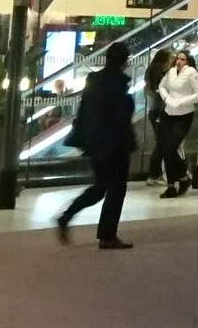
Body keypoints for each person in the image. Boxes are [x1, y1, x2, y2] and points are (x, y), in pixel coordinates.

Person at [55, 43, 137, 248]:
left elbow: (84, 113)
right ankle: (107, 235)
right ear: (125, 61)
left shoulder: (94, 81)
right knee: (116, 189)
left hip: (95, 143)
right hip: (115, 145)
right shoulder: (118, 84)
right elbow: (120, 117)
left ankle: (67, 216)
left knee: (101, 187)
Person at [151, 49, 198, 197]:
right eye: (177, 59)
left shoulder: (192, 74)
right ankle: (173, 184)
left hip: (183, 115)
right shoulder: (171, 73)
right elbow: (161, 86)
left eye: (182, 59)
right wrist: (168, 99)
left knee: (170, 149)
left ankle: (183, 177)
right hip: (168, 113)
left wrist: (181, 102)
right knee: (165, 148)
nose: (178, 61)